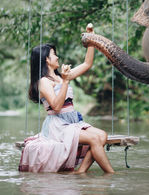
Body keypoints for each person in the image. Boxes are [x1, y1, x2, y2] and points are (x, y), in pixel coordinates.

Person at [19, 23, 114, 174]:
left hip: (72, 121)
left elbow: (87, 64)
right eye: (53, 54)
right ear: (46, 60)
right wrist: (65, 81)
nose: (57, 57)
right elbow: (56, 107)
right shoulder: (44, 81)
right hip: (58, 126)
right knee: (95, 140)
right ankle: (111, 174)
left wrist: (91, 39)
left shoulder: (59, 77)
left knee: (103, 135)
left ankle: (80, 172)